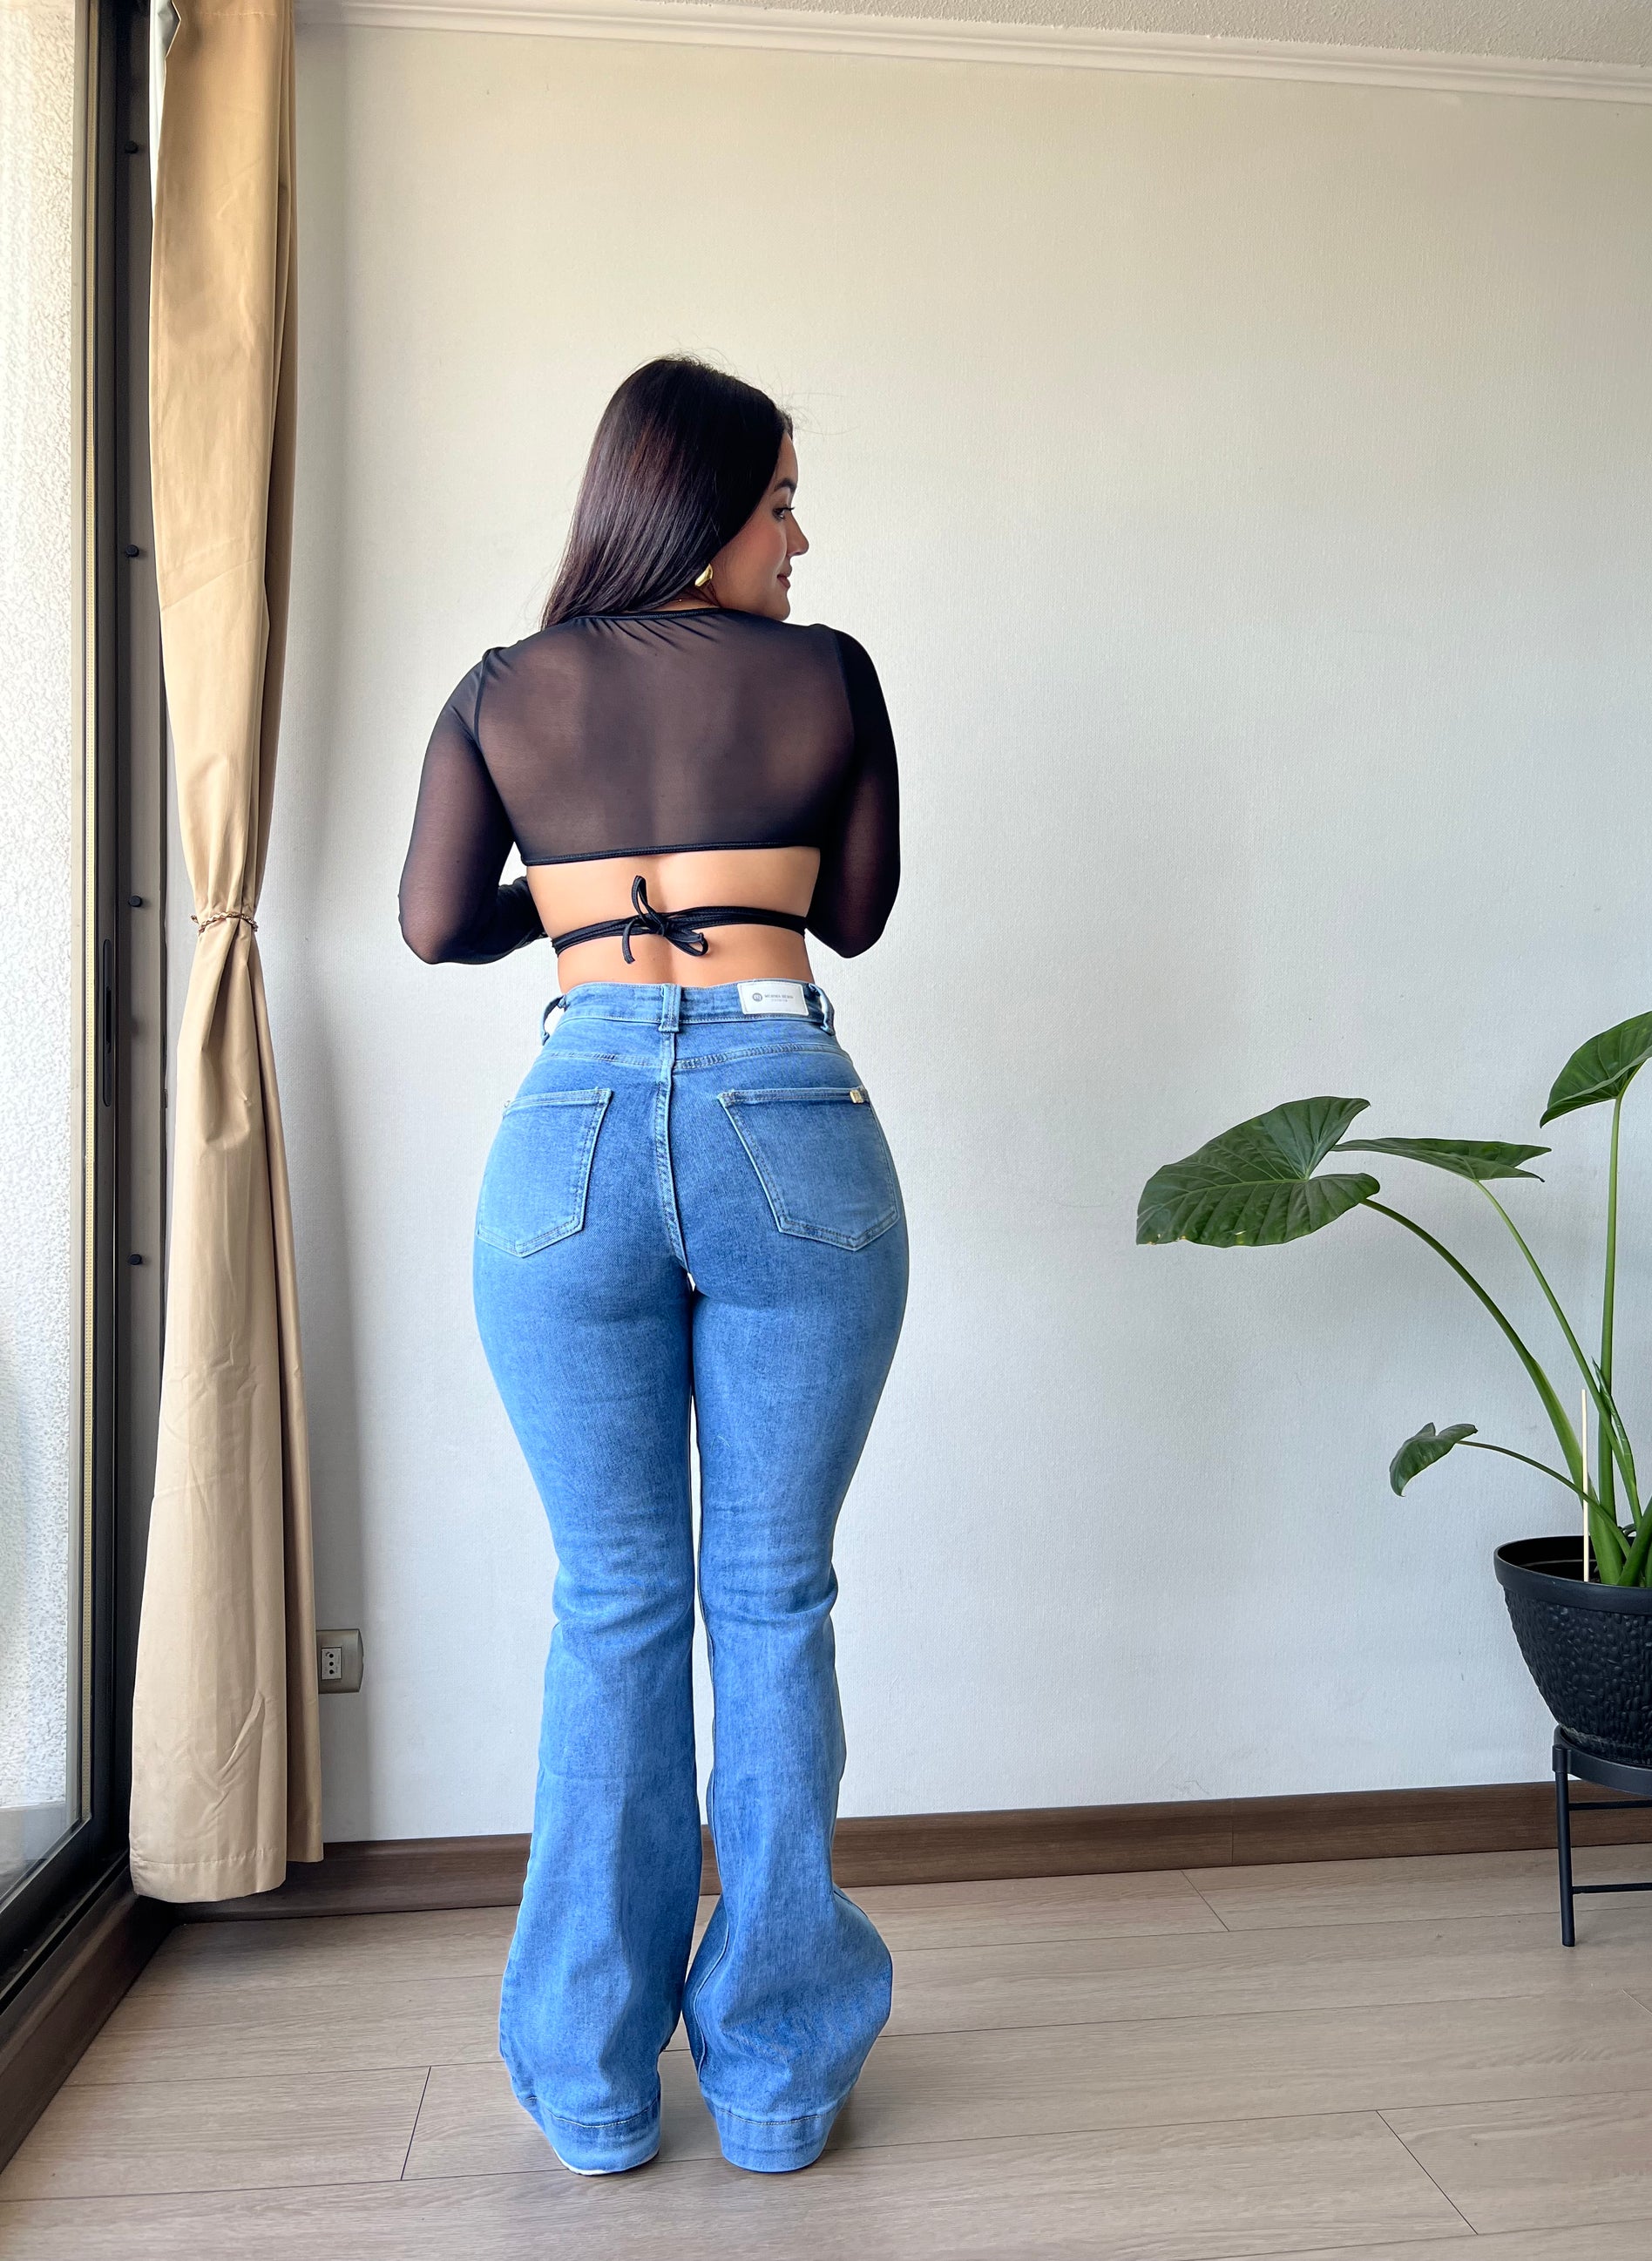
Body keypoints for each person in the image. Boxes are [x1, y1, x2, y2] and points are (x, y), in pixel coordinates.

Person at [397, 355, 907, 2176]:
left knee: (612, 1602)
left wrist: (582, 887)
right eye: (779, 499)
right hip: (785, 1107)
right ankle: (772, 2087)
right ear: (699, 510)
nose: (799, 537)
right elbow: (855, 911)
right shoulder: (827, 673)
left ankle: (597, 2087)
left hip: (576, 1128)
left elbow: (434, 923)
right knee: (772, 1599)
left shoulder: (500, 689)